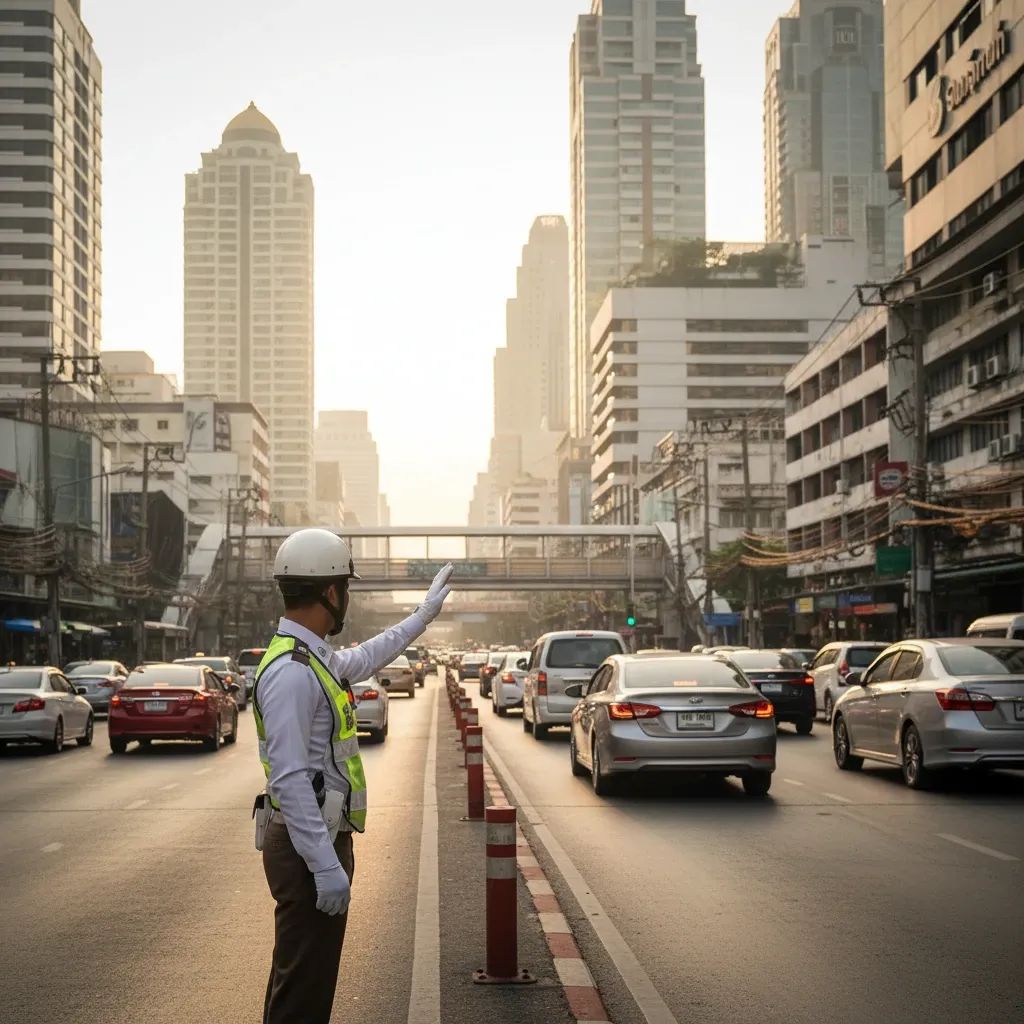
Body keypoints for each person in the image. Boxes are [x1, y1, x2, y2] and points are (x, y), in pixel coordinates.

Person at [252, 528, 453, 1024]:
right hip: (307, 847)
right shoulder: (292, 672)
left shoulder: (310, 657)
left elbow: (366, 657)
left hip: (312, 841)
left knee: (302, 980)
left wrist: (422, 617)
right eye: (346, 587)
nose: (347, 597)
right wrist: (324, 865)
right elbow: (290, 780)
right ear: (330, 592)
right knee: (303, 992)